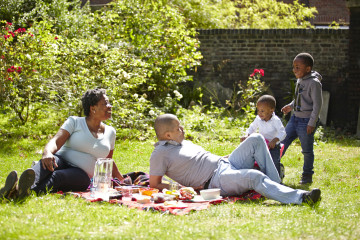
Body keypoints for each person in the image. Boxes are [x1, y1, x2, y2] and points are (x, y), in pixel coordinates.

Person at [149, 114, 321, 206]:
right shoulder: (160, 154)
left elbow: (199, 159)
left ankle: (277, 186)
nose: (182, 129)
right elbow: (154, 183)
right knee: (254, 176)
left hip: (225, 164)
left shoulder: (182, 142)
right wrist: (180, 188)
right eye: (178, 128)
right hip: (215, 180)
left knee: (256, 139)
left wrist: (225, 158)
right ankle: (301, 198)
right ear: (168, 135)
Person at [0, 88, 124, 200]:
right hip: (61, 159)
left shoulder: (111, 132)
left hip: (81, 174)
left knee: (58, 177)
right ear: (93, 108)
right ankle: (22, 190)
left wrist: (123, 180)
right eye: (105, 103)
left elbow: (108, 161)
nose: (110, 106)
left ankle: (15, 191)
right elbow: (55, 141)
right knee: (46, 165)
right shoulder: (75, 122)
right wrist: (47, 153)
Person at [281, 53, 322, 184]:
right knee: (282, 142)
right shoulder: (300, 79)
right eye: (294, 67)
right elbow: (299, 98)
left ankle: (307, 175)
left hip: (306, 121)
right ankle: (273, 168)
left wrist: (312, 123)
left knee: (307, 150)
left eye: (298, 67)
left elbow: (317, 105)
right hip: (295, 119)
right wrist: (291, 106)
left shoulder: (314, 83)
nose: (294, 70)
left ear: (308, 69)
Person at [241, 95, 286, 177]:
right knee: (255, 160)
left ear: (271, 110)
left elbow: (283, 132)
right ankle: (257, 175)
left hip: (273, 146)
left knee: (273, 162)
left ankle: (277, 178)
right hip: (262, 144)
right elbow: (252, 127)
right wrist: (247, 135)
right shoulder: (258, 118)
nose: (259, 113)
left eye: (262, 111)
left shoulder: (275, 120)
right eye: (258, 110)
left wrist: (275, 140)